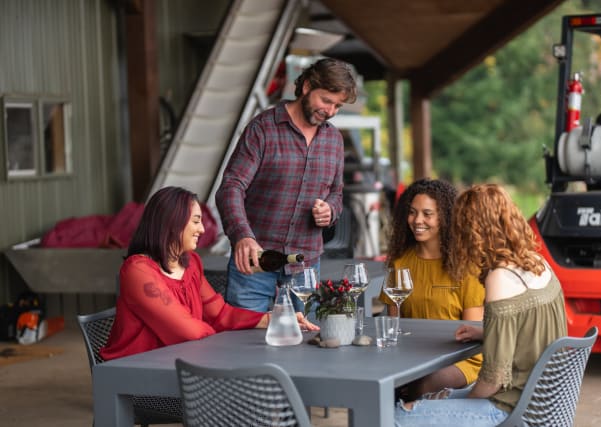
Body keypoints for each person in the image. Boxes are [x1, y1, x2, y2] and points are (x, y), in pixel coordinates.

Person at [394, 183, 568, 427]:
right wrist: (487, 332)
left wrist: (465, 403)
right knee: (429, 400)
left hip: (510, 406)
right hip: (546, 402)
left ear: (474, 230)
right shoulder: (537, 263)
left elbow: (493, 379)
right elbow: (528, 330)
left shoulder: (501, 278)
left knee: (397, 416)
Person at [100, 187, 317, 360]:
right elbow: (187, 332)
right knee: (245, 389)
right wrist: (222, 341)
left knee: (256, 384)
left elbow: (220, 314)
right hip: (139, 379)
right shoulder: (138, 270)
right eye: (196, 221)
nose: (202, 229)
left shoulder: (191, 263)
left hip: (183, 364)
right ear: (171, 223)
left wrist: (275, 319)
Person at [215, 57, 358, 312]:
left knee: (304, 348)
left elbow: (336, 193)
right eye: (326, 101)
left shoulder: (334, 139)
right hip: (255, 263)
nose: (331, 112)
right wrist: (242, 236)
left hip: (306, 270)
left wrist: (330, 211)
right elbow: (231, 186)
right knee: (242, 346)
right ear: (306, 87)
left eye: (338, 106)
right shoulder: (263, 129)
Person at [379, 178, 484, 400]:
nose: (417, 220)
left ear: (445, 218)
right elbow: (393, 328)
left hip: (459, 360)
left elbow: (472, 336)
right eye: (412, 212)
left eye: (427, 214)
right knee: (382, 382)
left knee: (422, 384)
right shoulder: (399, 263)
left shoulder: (466, 266)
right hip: (413, 357)